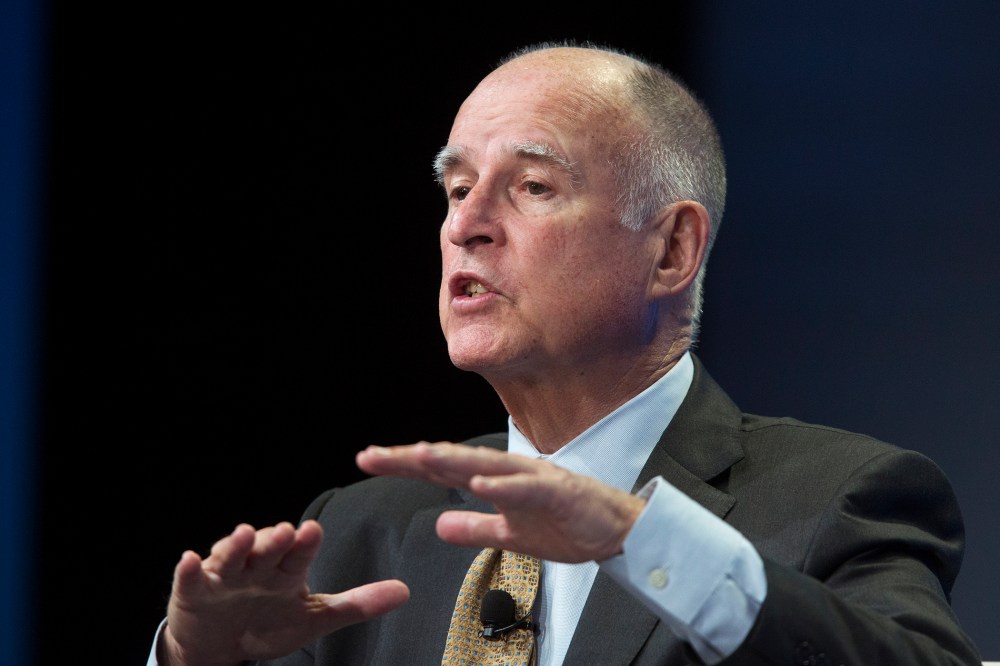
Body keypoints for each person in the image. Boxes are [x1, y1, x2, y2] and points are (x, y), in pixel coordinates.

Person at [148, 41, 982, 665]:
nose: (465, 224)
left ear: (671, 251)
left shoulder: (840, 499)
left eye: (532, 187)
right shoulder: (358, 533)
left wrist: (639, 540)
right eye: (458, 187)